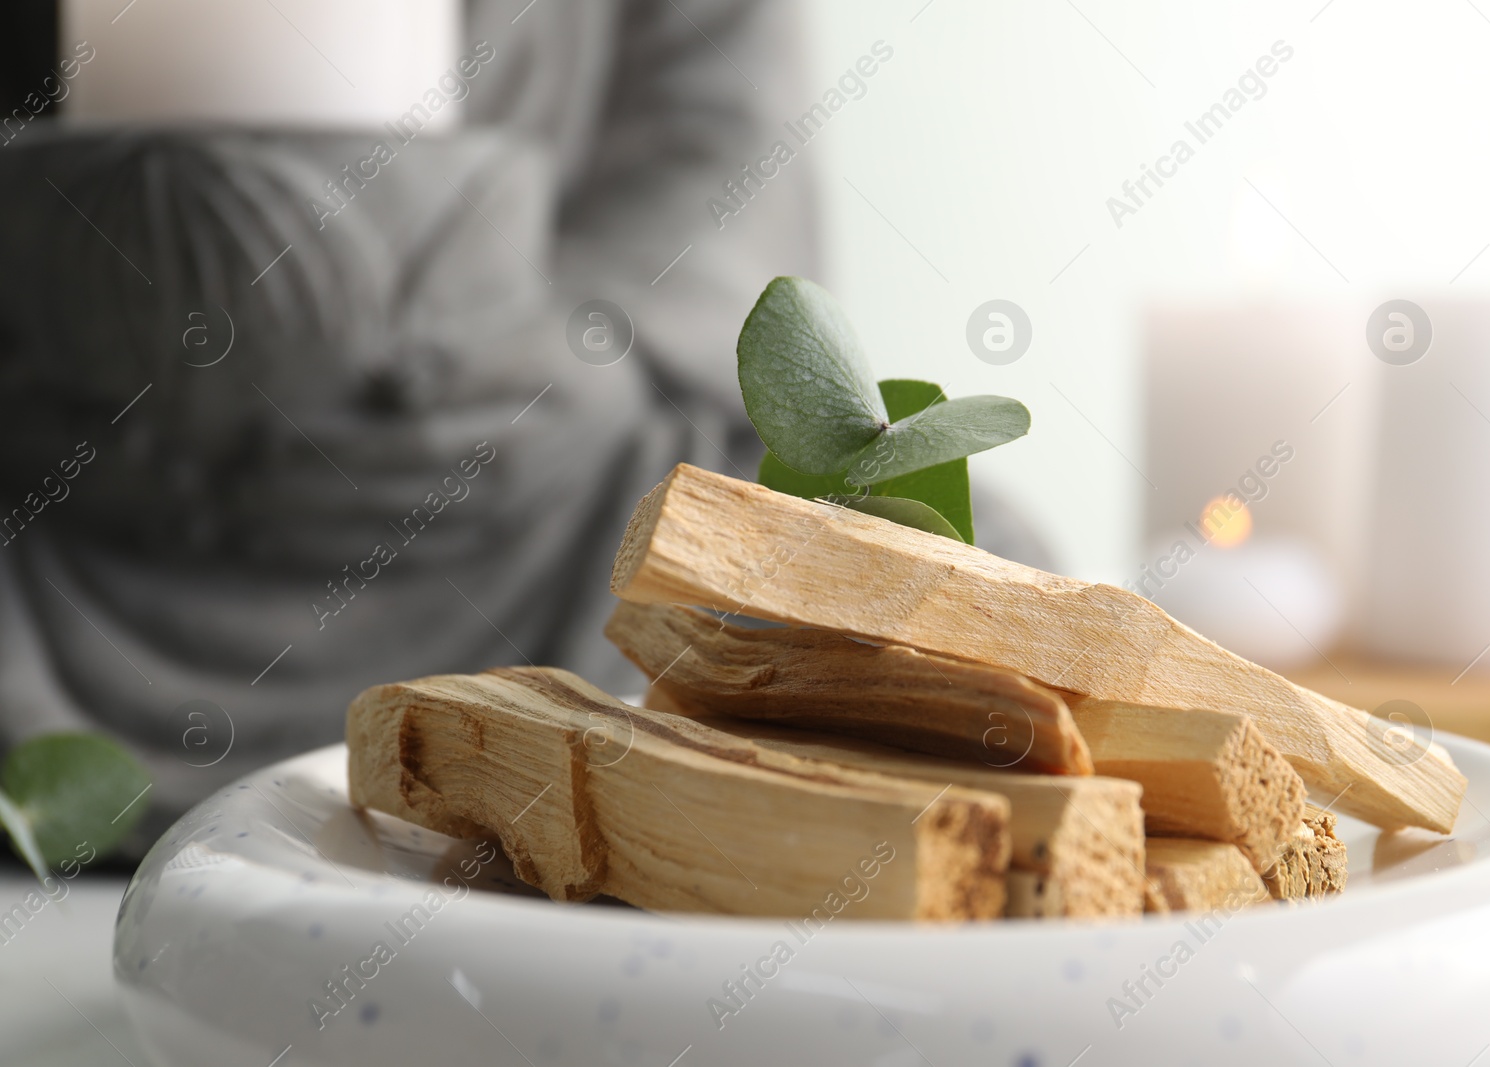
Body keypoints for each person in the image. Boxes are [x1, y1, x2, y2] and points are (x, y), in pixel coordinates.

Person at [0, 0, 1051, 848]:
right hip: (91, 480)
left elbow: (718, 175)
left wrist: (565, 353)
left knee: (955, 577)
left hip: (518, 473)